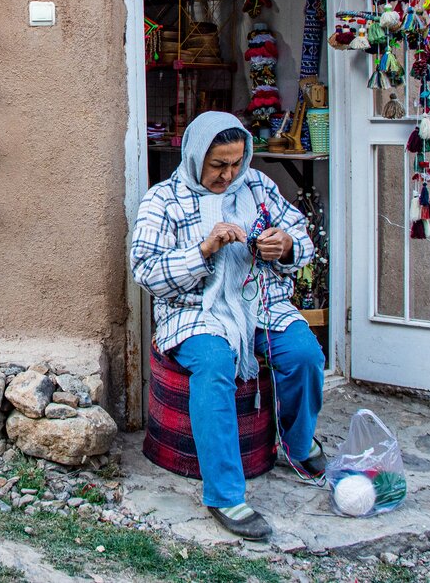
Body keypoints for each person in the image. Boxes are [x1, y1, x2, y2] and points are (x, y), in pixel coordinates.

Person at [131, 110, 326, 540]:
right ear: (194, 156)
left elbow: (301, 237)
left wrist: (285, 245)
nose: (229, 175)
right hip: (193, 311)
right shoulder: (164, 199)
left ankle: (297, 444)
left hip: (261, 303)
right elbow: (145, 271)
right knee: (215, 363)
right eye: (218, 165)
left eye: (236, 162)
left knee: (305, 355)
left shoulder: (258, 187)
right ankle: (225, 494)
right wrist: (203, 250)